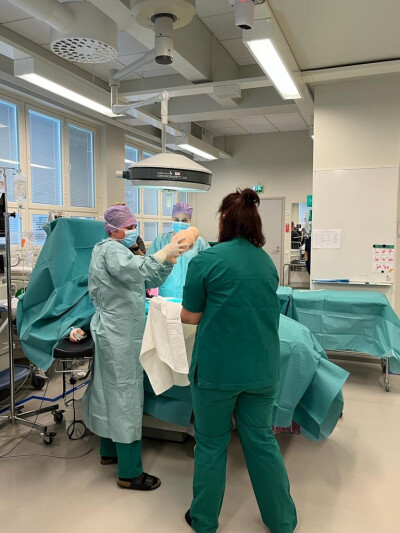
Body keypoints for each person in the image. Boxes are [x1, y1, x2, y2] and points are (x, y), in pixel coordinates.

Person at [181, 189, 297, 533]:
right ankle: (282, 520)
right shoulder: (265, 261)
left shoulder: (207, 260)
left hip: (218, 372)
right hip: (261, 370)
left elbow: (190, 316)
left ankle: (204, 521)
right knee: (260, 440)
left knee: (212, 444)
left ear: (223, 220)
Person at [77, 204, 189, 491]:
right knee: (125, 392)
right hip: (119, 332)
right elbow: (137, 269)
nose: (132, 231)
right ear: (113, 229)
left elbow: (148, 278)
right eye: (128, 227)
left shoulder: (118, 250)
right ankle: (129, 472)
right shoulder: (111, 250)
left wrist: (169, 260)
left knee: (107, 388)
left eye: (134, 225)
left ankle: (108, 452)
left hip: (116, 330)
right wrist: (163, 252)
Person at [147, 202, 210, 299]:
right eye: (176, 220)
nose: (180, 223)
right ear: (172, 219)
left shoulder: (200, 243)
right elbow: (149, 263)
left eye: (184, 220)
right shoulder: (161, 241)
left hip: (191, 293)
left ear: (190, 221)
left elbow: (209, 267)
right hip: (166, 294)